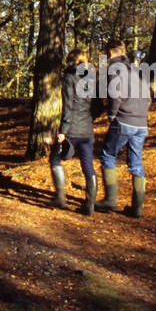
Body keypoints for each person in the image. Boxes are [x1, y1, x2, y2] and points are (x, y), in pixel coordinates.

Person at [95, 37, 149, 217]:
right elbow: (147, 97)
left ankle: (110, 199)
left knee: (107, 155)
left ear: (110, 53)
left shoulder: (114, 69)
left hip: (124, 120)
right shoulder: (136, 70)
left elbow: (115, 95)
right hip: (141, 123)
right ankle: (137, 208)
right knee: (136, 164)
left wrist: (112, 114)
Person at [50, 48, 99, 216]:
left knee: (54, 158)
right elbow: (98, 105)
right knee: (88, 166)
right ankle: (90, 205)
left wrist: (63, 131)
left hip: (71, 130)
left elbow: (68, 107)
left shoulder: (69, 78)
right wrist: (90, 119)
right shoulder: (92, 79)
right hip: (87, 130)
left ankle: (60, 198)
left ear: (71, 61)